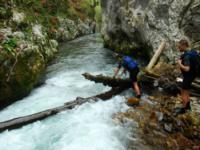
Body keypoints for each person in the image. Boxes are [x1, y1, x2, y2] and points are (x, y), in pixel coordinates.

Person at [176, 39, 197, 113]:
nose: (178, 48)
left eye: (179, 47)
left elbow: (187, 69)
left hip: (189, 75)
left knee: (183, 91)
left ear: (184, 46)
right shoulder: (191, 51)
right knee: (186, 89)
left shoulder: (187, 56)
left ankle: (183, 109)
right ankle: (188, 106)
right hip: (193, 74)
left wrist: (179, 64)